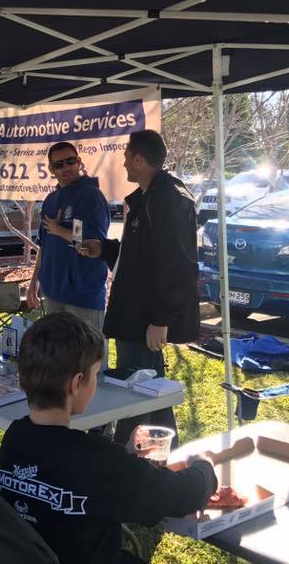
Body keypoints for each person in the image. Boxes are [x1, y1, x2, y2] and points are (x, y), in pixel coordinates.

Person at [0, 312, 217, 564]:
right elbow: (180, 496)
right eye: (96, 374)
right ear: (77, 383)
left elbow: (72, 480)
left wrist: (126, 458)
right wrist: (204, 466)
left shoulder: (15, 437)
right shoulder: (95, 460)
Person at [80, 130, 199, 446]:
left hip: (147, 318)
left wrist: (161, 320)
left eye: (126, 156)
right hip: (132, 314)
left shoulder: (172, 201)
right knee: (142, 387)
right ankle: (155, 451)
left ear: (139, 159)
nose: (123, 164)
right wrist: (104, 249)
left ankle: (135, 453)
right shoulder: (147, 198)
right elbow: (140, 255)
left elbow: (177, 266)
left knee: (141, 389)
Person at [25, 142, 109, 339]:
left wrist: (58, 229)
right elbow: (43, 246)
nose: (66, 168)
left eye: (70, 161)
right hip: (53, 292)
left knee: (88, 359)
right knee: (60, 358)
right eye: (59, 164)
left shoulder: (91, 196)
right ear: (51, 169)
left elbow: (90, 242)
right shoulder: (51, 200)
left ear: (79, 162)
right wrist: (33, 282)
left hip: (83, 295)